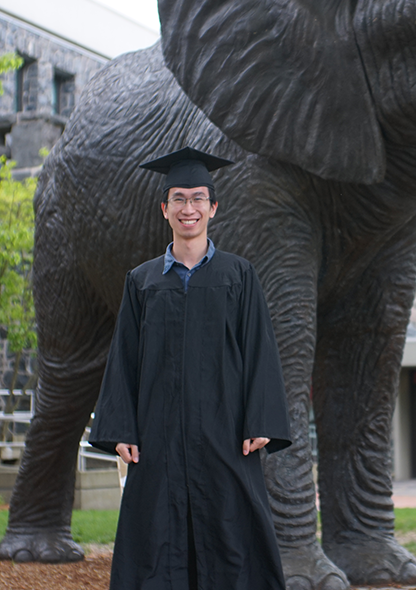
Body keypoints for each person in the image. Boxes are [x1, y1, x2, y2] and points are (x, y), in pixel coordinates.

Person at [89, 147, 292, 590]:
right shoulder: (142, 281)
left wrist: (261, 419)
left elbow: (260, 348)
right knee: (156, 538)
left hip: (225, 434)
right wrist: (122, 428)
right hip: (158, 437)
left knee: (232, 532)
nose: (189, 208)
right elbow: (123, 358)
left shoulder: (239, 276)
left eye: (198, 198)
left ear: (213, 208)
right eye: (179, 199)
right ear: (165, 209)